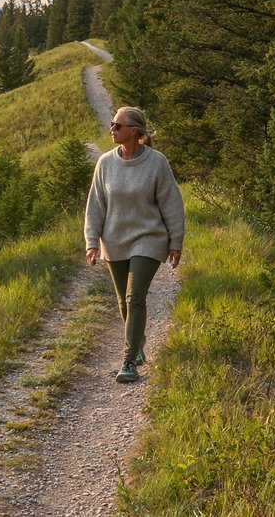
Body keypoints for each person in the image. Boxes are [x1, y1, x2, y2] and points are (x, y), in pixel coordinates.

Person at [84, 106, 185, 383]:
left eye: (117, 125)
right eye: (112, 124)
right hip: (114, 240)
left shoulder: (156, 162)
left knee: (134, 296)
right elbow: (95, 206)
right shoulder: (105, 163)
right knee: (122, 301)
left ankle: (129, 361)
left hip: (149, 238)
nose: (112, 129)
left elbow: (172, 204)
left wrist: (175, 242)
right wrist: (91, 242)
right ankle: (137, 342)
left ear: (135, 131)